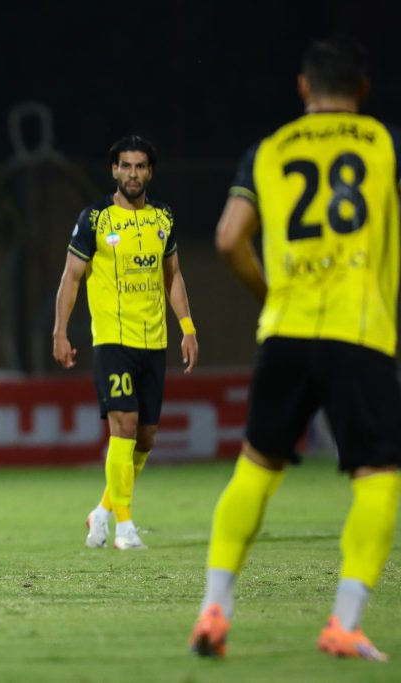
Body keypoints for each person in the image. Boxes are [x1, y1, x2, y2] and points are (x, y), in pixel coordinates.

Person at [190, 37, 400, 661]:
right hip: (359, 333)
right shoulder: (386, 144)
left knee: (255, 469)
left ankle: (213, 611)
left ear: (304, 88)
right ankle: (344, 623)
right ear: (362, 89)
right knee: (378, 478)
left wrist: (272, 293)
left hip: (285, 330)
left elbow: (229, 238)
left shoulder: (268, 150)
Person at [53, 136, 199, 550]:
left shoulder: (162, 218)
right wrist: (60, 331)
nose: (133, 173)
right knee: (125, 425)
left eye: (140, 166)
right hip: (113, 340)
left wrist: (187, 327)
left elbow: (173, 275)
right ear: (114, 170)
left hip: (154, 341)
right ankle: (126, 527)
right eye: (126, 166)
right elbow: (71, 277)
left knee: (145, 438)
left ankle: (102, 511)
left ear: (149, 172)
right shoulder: (95, 219)